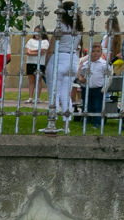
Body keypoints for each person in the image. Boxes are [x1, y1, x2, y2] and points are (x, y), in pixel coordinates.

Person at [46, 1, 83, 131]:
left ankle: (52, 122)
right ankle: (66, 124)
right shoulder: (78, 29)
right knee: (66, 94)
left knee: (54, 94)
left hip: (59, 58)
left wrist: (46, 64)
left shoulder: (60, 27)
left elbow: (51, 48)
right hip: (72, 59)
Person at [78, 43, 111, 127]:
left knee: (97, 106)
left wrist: (105, 88)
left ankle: (97, 122)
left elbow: (109, 77)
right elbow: (80, 74)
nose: (95, 53)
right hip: (86, 88)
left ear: (101, 53)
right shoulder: (85, 63)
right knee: (86, 105)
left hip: (98, 88)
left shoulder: (104, 64)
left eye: (98, 51)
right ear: (89, 52)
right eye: (93, 51)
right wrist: (81, 78)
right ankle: (85, 121)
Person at [25, 26, 49, 104]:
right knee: (31, 80)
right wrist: (37, 51)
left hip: (40, 63)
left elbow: (43, 51)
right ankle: (30, 97)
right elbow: (27, 52)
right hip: (30, 62)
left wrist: (32, 51)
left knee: (38, 80)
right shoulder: (30, 41)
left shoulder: (45, 42)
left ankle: (37, 98)